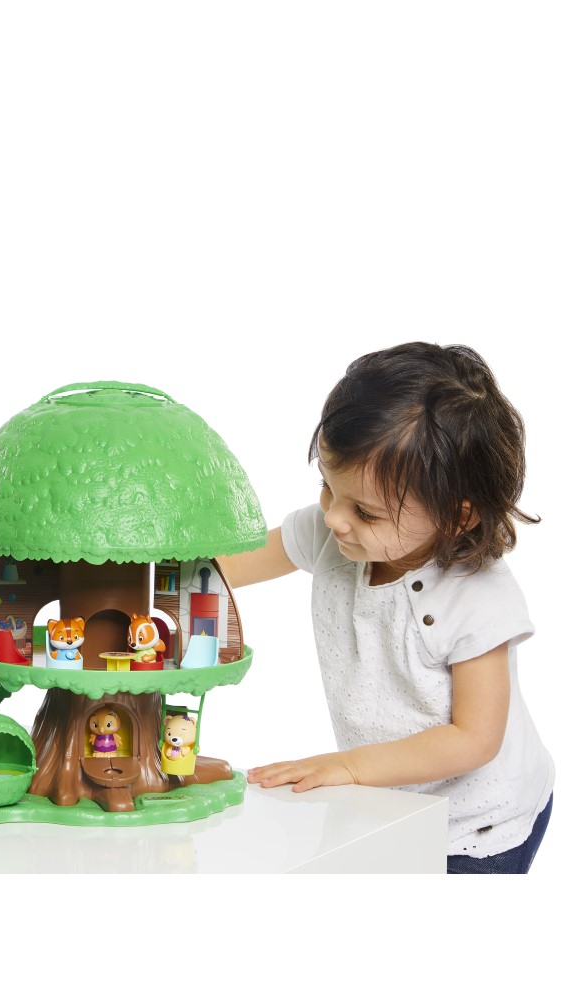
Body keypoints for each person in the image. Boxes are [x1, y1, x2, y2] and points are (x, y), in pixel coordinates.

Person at [220, 342, 553, 873]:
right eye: (327, 488)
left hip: (479, 823)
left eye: (366, 512)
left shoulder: (476, 597)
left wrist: (350, 768)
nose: (334, 518)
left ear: (457, 517)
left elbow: (474, 738)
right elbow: (226, 565)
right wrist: (137, 572)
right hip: (389, 801)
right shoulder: (333, 533)